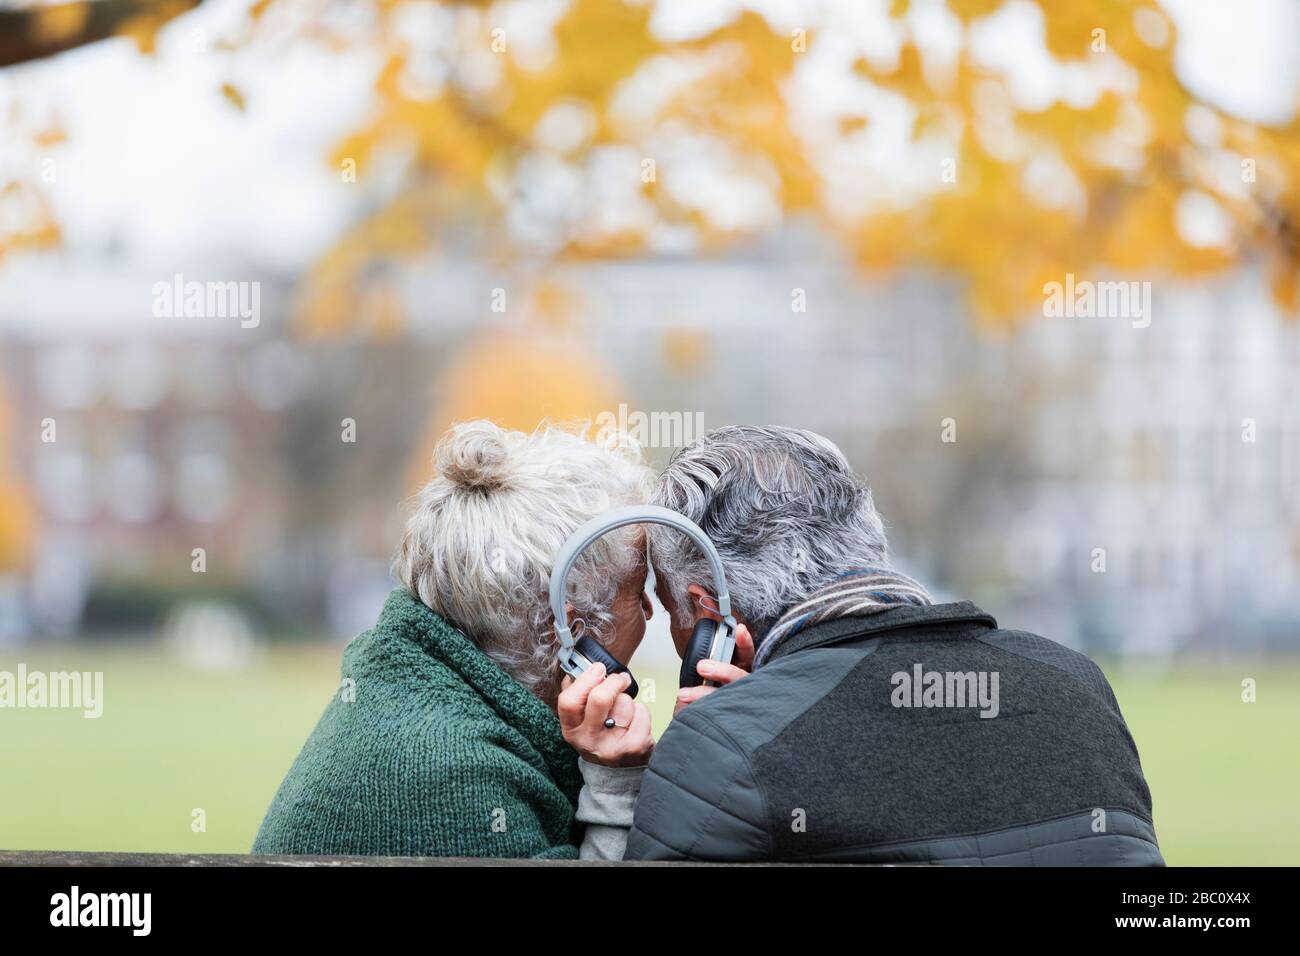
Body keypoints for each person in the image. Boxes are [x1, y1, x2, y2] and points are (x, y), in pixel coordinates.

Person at [623, 425, 1164, 865]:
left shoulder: (719, 751)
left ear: (709, 612)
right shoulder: (1076, 686)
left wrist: (734, 736)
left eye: (670, 611)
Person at [252, 420, 655, 860]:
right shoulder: (455, 780)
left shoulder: (417, 696)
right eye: (637, 592)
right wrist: (614, 784)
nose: (651, 611)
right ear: (571, 631)